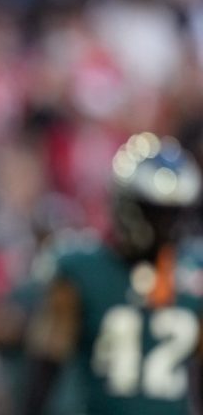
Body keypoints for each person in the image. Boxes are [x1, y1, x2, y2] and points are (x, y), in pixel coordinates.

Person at [23, 132, 203, 415]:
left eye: (175, 213)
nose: (170, 225)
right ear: (128, 205)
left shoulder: (193, 275)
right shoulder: (82, 270)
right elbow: (44, 374)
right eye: (158, 213)